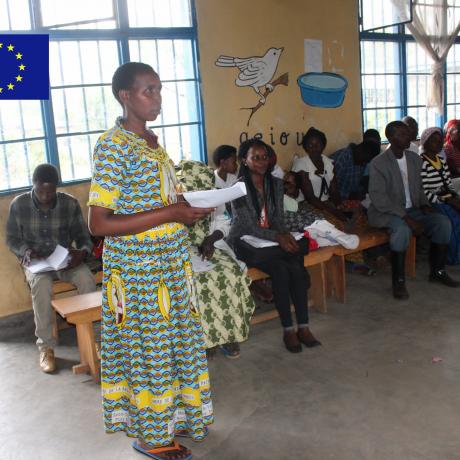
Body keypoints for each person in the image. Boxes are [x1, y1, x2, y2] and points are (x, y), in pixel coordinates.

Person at [87, 62, 214, 460]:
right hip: (140, 269)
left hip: (170, 261)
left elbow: (153, 200)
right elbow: (98, 222)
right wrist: (170, 214)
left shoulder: (152, 142)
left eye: (159, 90)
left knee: (175, 342)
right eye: (148, 91)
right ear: (126, 96)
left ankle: (171, 420)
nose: (157, 98)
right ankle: (151, 436)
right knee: (151, 348)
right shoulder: (113, 145)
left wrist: (184, 206)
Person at [228, 138, 321, 353]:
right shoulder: (238, 188)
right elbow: (248, 226)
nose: (262, 162)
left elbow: (278, 218)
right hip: (245, 242)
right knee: (281, 269)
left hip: (271, 240)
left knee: (296, 264)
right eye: (255, 158)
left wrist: (284, 234)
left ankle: (304, 327)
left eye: (265, 157)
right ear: (245, 160)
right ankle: (289, 330)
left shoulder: (275, 184)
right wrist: (277, 237)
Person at [6, 163, 96, 374]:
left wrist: (81, 252)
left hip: (63, 259)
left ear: (56, 187)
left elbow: (83, 236)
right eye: (41, 191)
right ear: (33, 184)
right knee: (41, 286)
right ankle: (46, 347)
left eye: (50, 191)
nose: (45, 196)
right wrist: (25, 250)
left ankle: (95, 339)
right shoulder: (19, 205)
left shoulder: (69, 203)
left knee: (86, 278)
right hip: (37, 263)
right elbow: (11, 238)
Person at [368, 121, 459, 300]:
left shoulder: (414, 158)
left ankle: (437, 271)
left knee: (442, 222)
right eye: (402, 134)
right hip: (386, 212)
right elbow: (379, 198)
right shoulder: (378, 163)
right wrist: (407, 218)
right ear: (390, 138)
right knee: (401, 229)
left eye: (408, 133)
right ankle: (399, 281)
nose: (408, 137)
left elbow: (419, 188)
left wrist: (425, 205)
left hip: (413, 209)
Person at [176, 159, 255, 360]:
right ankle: (205, 340)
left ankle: (228, 335)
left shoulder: (214, 197)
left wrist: (211, 239)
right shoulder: (173, 203)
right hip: (181, 251)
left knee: (231, 274)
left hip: (209, 247)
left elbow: (224, 222)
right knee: (197, 283)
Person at [419, 127, 460, 264]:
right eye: (434, 141)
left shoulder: (441, 161)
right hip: (435, 202)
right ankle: (452, 257)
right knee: (454, 222)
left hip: (447, 198)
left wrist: (454, 198)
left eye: (440, 141)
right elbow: (424, 190)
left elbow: (448, 184)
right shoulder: (422, 163)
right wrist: (447, 201)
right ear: (425, 143)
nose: (438, 144)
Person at [291, 127, 346, 221]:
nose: (314, 148)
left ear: (323, 145)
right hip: (307, 205)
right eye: (310, 145)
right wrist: (334, 211)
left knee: (353, 213)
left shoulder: (329, 163)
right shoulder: (301, 164)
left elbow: (334, 191)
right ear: (305, 147)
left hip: (325, 204)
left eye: (317, 144)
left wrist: (339, 206)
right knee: (330, 223)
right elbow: (310, 198)